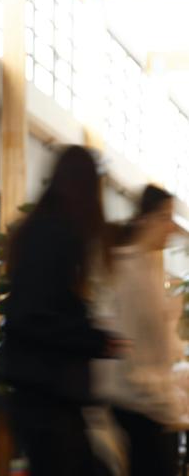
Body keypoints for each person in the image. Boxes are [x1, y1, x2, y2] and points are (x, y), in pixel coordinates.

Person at [0, 146, 124, 476]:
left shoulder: (42, 228)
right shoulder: (55, 233)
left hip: (40, 390)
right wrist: (96, 340)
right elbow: (36, 315)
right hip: (46, 391)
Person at [99, 185, 183, 476]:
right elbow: (129, 344)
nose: (171, 228)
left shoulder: (145, 266)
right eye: (166, 217)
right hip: (138, 405)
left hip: (146, 404)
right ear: (149, 218)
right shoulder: (129, 267)